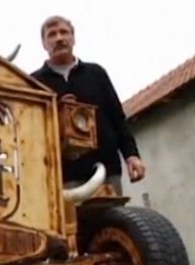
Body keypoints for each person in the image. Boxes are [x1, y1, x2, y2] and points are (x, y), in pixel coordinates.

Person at [30, 15, 146, 195]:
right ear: (44, 44)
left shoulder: (96, 73)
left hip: (106, 171)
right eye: (52, 35)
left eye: (64, 32)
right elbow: (31, 133)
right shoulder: (34, 83)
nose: (59, 38)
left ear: (73, 38)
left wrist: (132, 156)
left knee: (111, 222)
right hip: (62, 177)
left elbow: (117, 117)